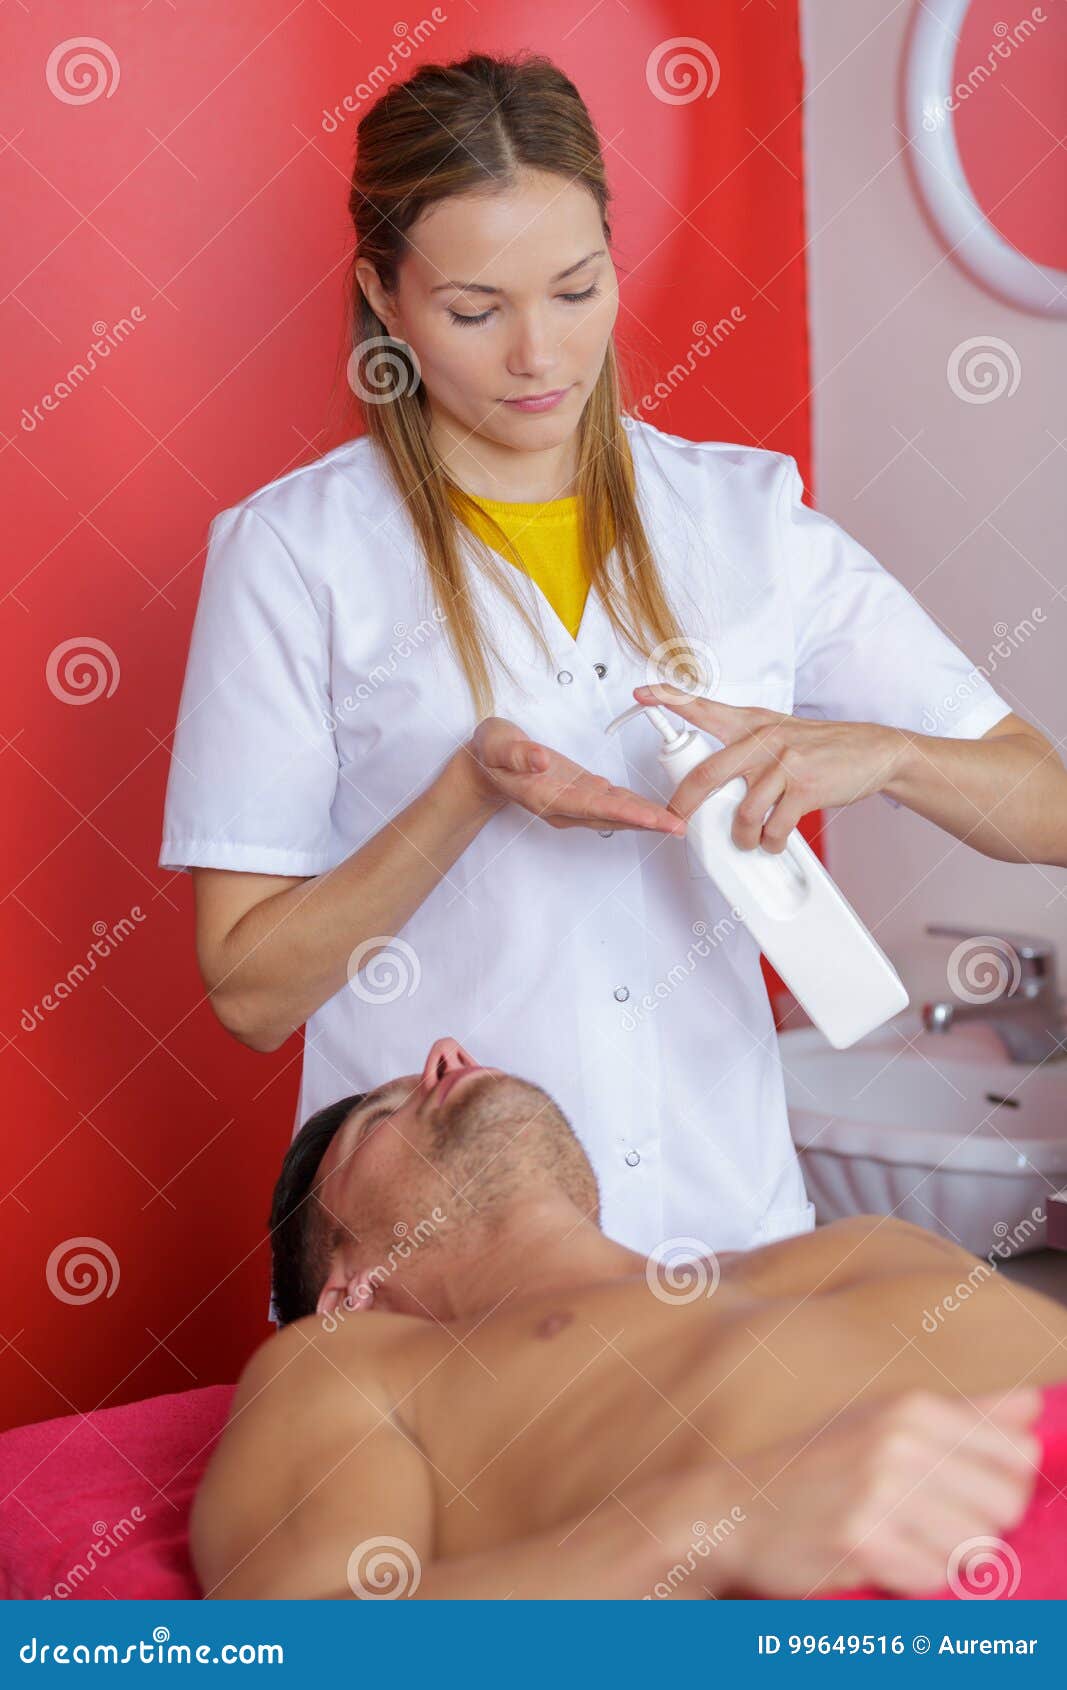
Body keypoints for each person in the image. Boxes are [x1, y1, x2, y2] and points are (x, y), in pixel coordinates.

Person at [158, 52, 1060, 1318]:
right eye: (474, 310)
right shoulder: (296, 555)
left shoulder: (746, 519)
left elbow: (1044, 805)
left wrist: (880, 753)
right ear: (384, 295)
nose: (540, 353)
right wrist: (463, 797)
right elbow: (252, 990)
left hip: (729, 1241)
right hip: (445, 1288)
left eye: (575, 288)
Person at [188, 1037, 1057, 1600]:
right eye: (380, 1115)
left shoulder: (860, 1241)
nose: (445, 1054)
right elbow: (297, 1645)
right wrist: (715, 1525)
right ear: (348, 1288)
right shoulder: (345, 1360)